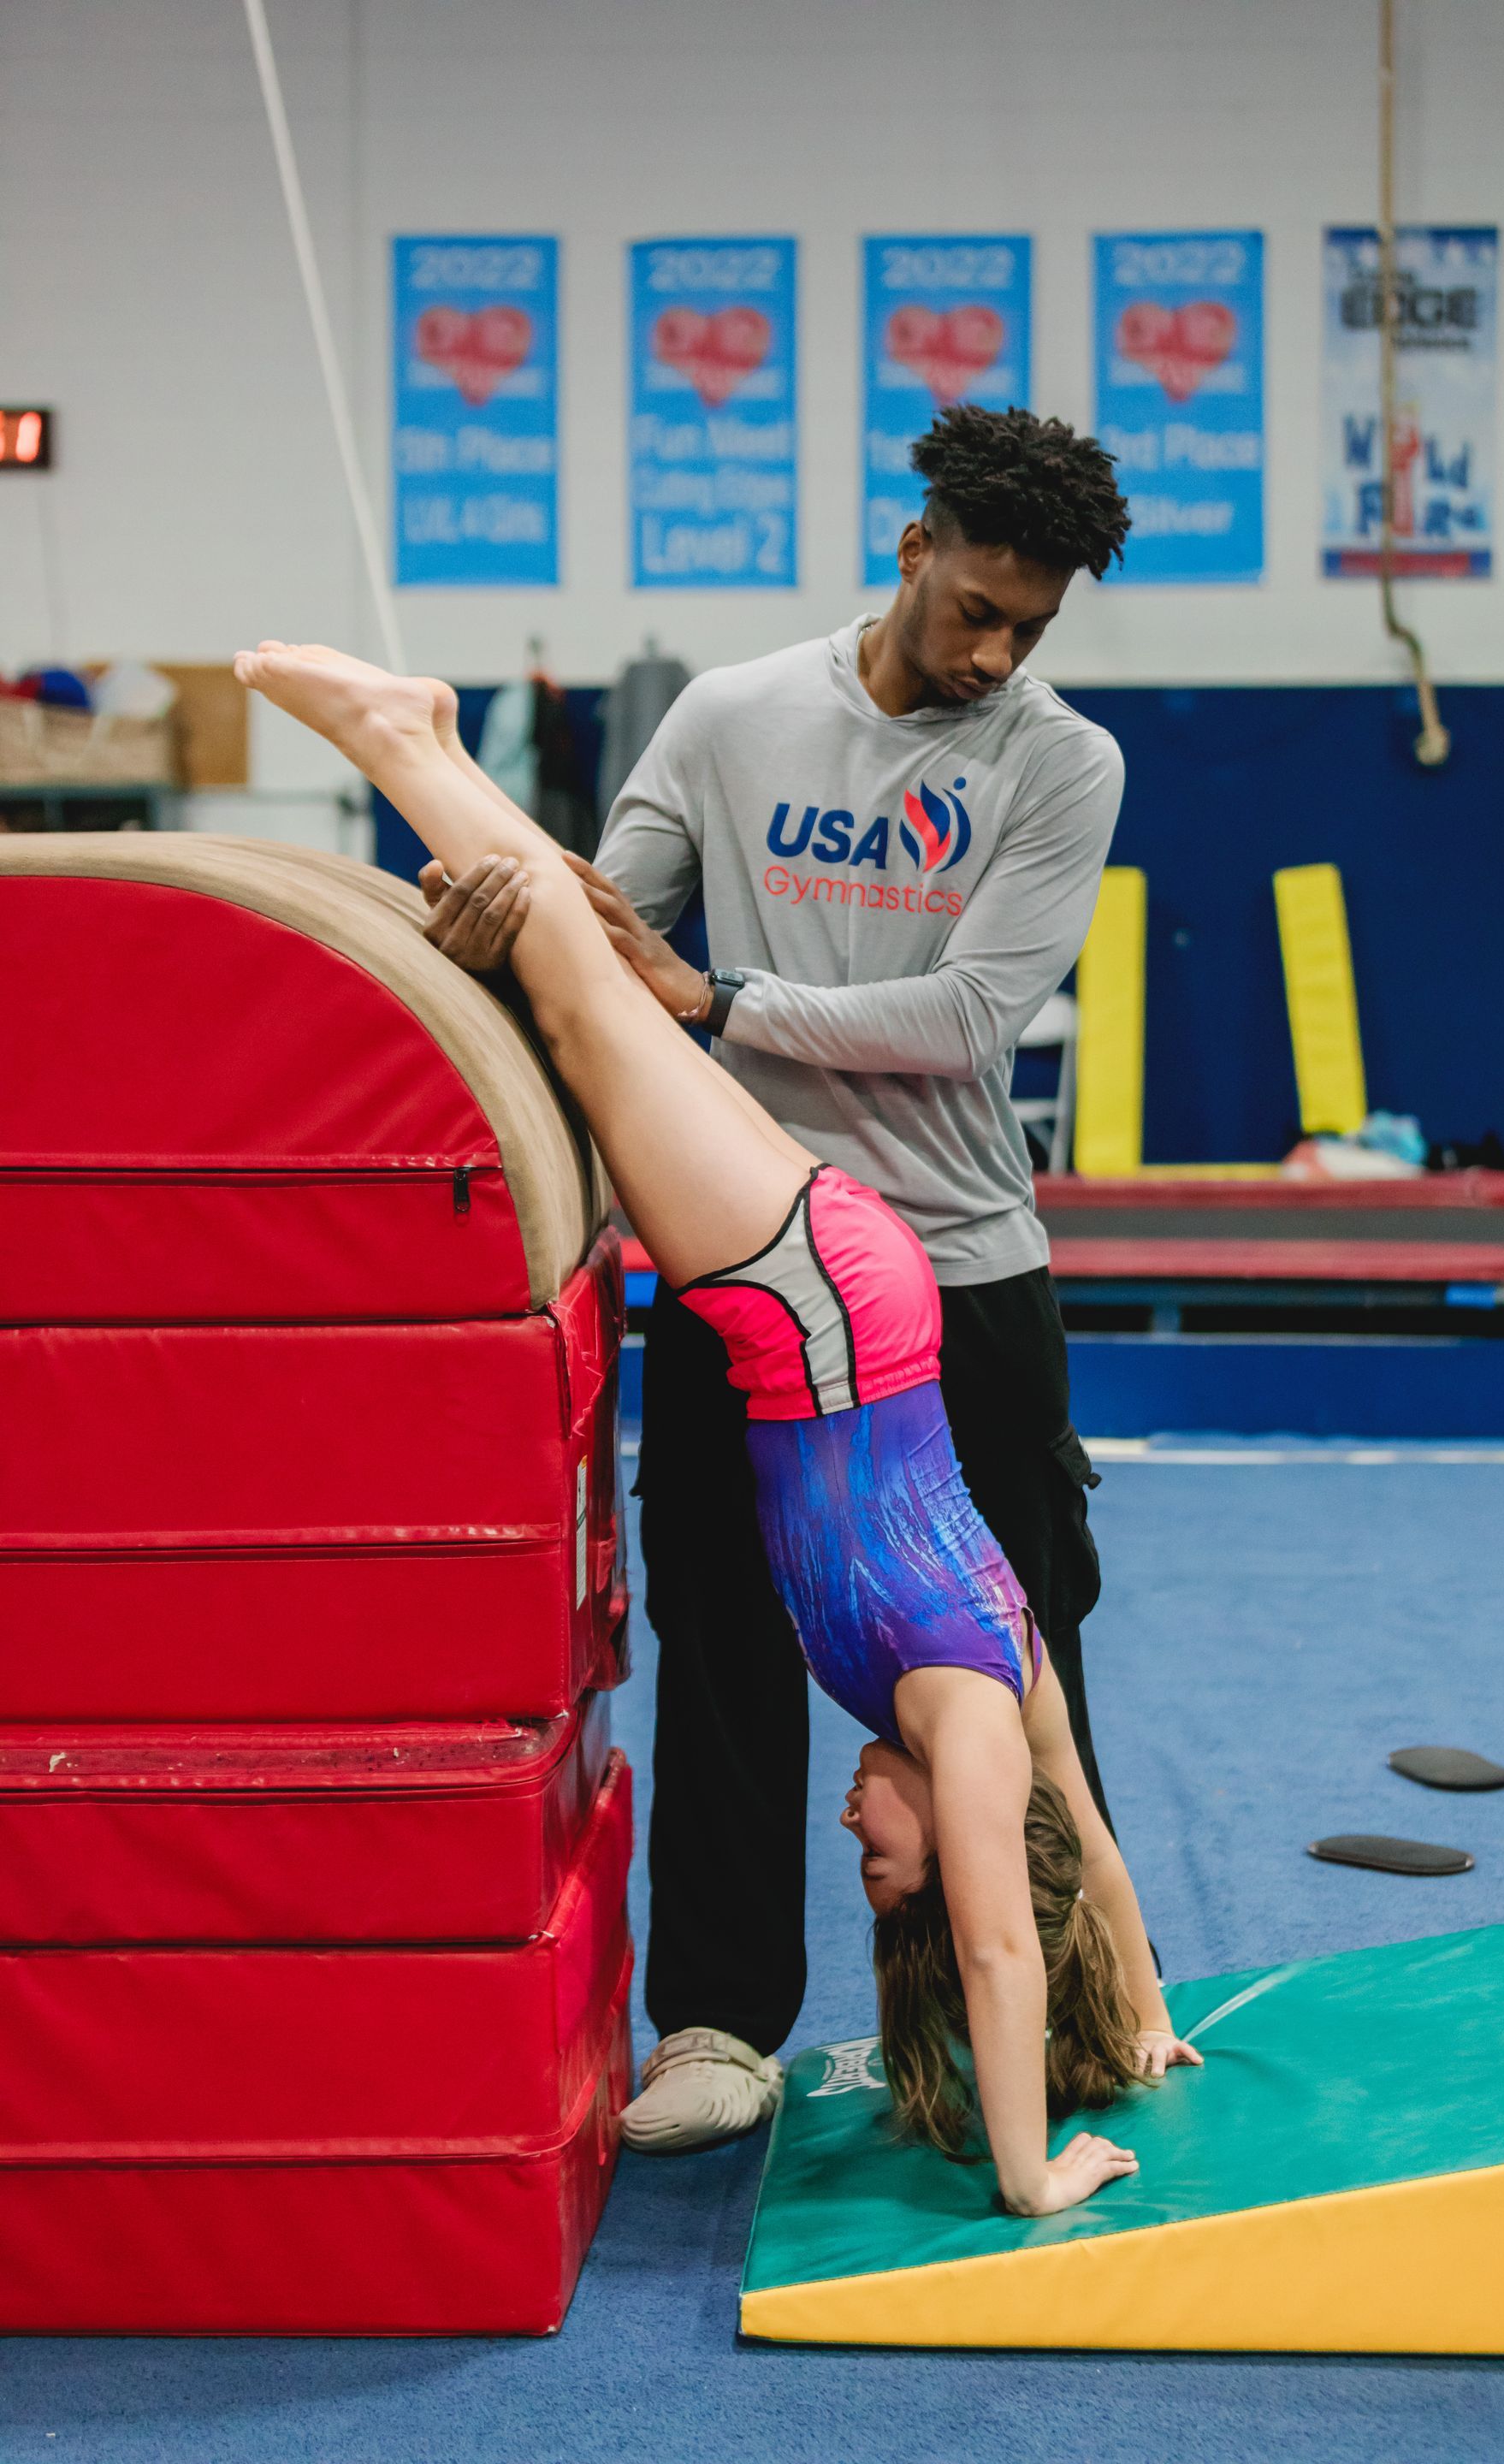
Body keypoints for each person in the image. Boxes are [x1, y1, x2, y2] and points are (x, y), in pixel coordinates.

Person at [233, 637, 1198, 2218]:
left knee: (587, 993)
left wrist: (1146, 2019)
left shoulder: (1005, 1708)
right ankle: (408, 740)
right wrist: (1029, 2177)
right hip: (809, 1300)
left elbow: (1081, 1857)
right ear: (957, 1840)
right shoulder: (962, 1716)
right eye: (887, 1855)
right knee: (585, 987)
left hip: (854, 1295)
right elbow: (1007, 1936)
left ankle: (418, 746)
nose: (857, 1825)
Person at [434, 406, 1133, 2152]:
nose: (995, 650)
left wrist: (721, 1001)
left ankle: (1083, 2004)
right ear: (911, 551)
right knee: (726, 1626)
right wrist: (491, 936)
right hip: (750, 1263)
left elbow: (972, 1019)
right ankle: (721, 2026)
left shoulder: (1060, 762)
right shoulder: (737, 715)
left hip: (959, 1269)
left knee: (1019, 1650)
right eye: (976, 606)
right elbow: (609, 937)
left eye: (1030, 627)